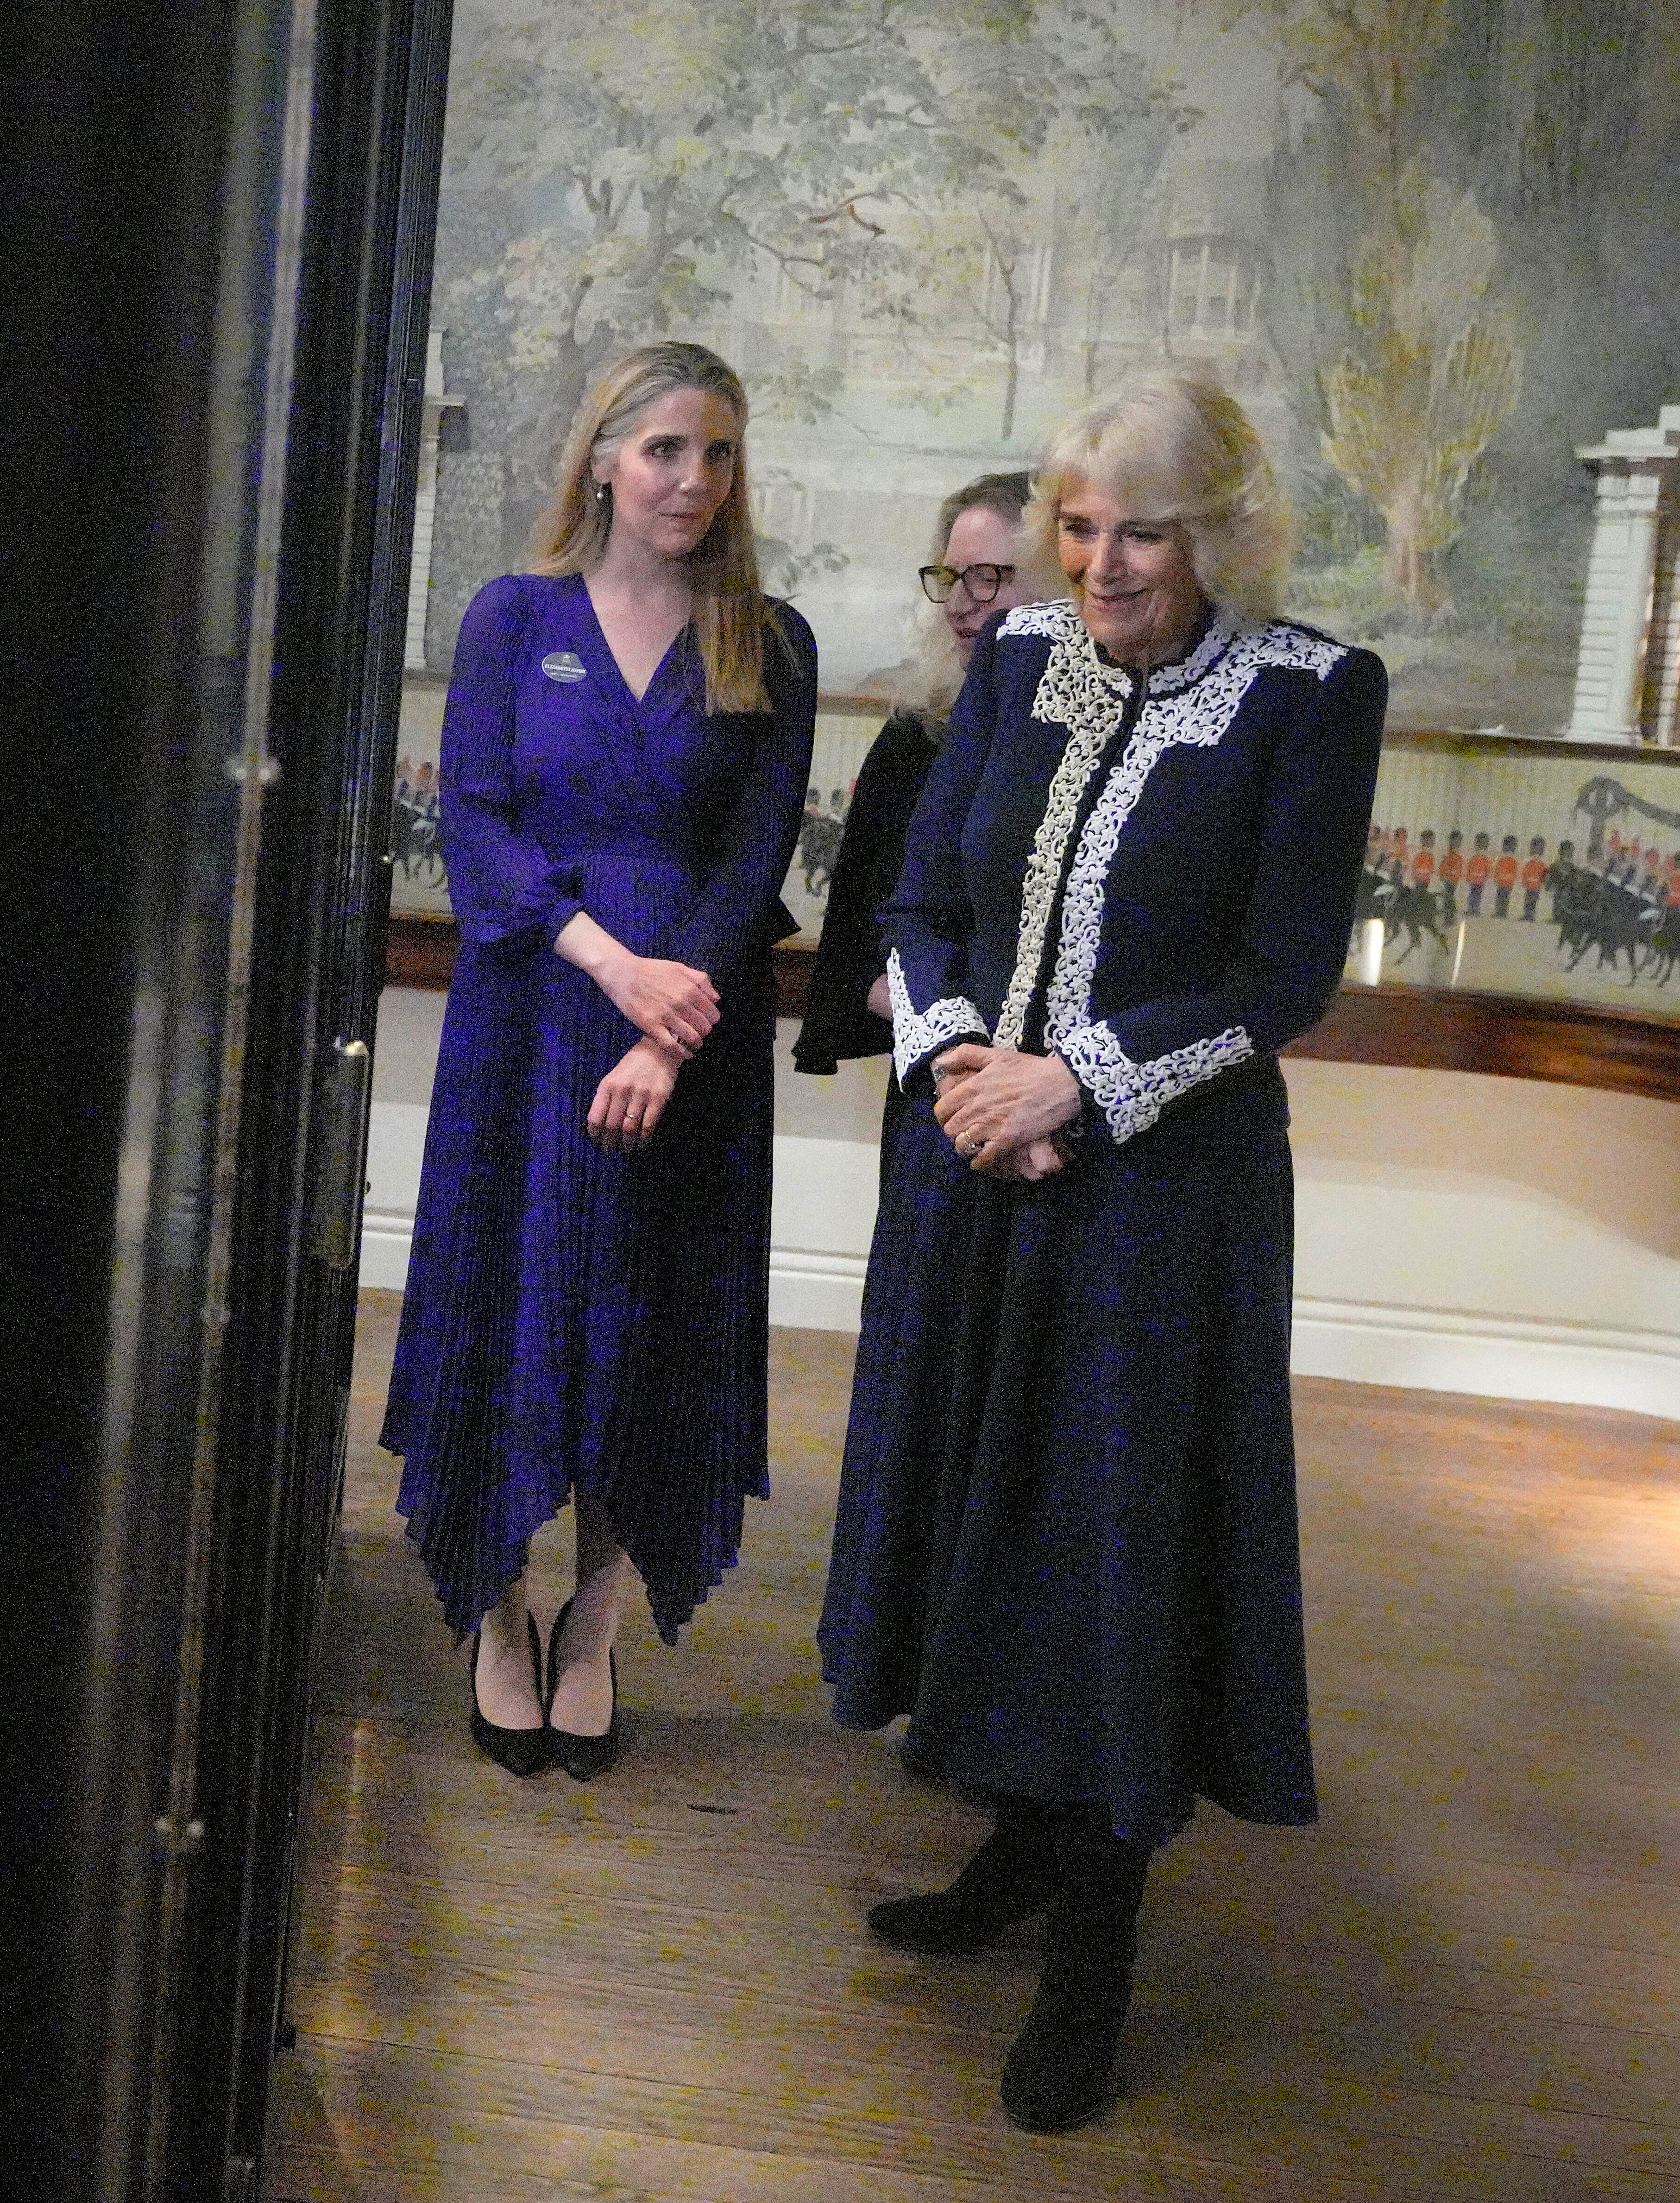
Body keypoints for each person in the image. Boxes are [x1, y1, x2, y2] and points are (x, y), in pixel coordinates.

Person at [817, 367, 1385, 2133]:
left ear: (1219, 529)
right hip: (982, 1170)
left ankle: (1094, 1944)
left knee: (1112, 1548)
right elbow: (915, 901)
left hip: (1160, 1207)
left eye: (1141, 527)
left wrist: (1084, 1079)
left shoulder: (1308, 695)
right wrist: (968, 1065)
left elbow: (1275, 973)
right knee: (989, 1509)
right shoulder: (1007, 668)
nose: (1101, 561)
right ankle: (1014, 1838)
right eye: (1076, 525)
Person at [381, 340, 815, 1785]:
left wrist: (665, 1023)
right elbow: (480, 825)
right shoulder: (514, 619)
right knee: (514, 1306)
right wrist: (607, 967)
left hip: (689, 1047)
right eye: (665, 451)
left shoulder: (771, 641)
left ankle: (595, 1624)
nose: (692, 481)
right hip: (532, 1023)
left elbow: (752, 863)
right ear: (604, 462)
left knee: (650, 1318)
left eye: (717, 455)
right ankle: (498, 1618)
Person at [794, 472, 1052, 1085]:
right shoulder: (920, 735)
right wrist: (959, 1040)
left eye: (989, 577)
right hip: (944, 1076)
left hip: (1069, 1088)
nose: (962, 602)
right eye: (951, 577)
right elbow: (859, 955)